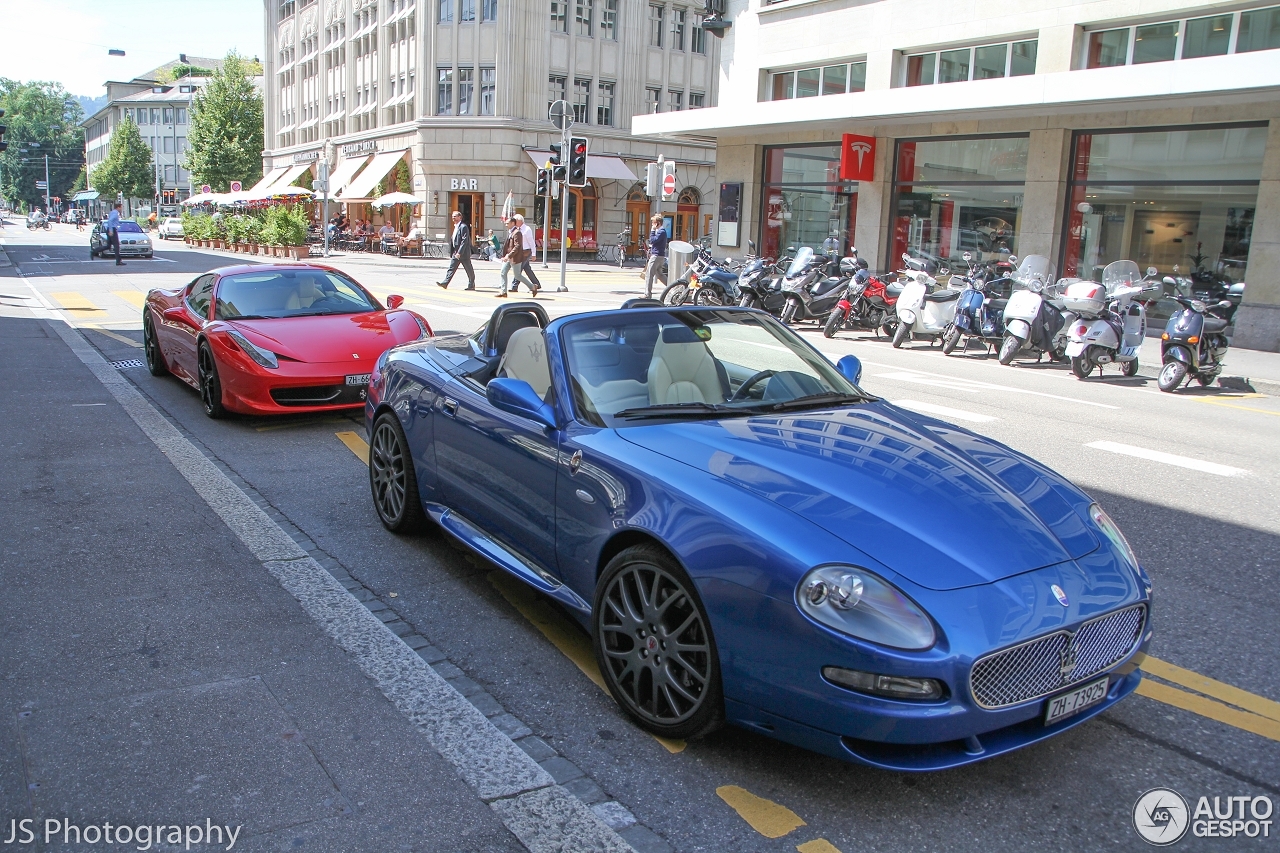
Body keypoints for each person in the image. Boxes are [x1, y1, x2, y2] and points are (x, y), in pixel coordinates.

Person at [436, 211, 476, 290]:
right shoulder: (456, 227)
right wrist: (453, 252)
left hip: (463, 253)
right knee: (451, 268)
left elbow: (464, 241)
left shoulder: (463, 227)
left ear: (460, 217)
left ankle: (471, 284)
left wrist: (460, 252)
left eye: (455, 216)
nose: (453, 218)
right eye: (452, 216)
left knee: (469, 270)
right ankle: (445, 283)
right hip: (456, 252)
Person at [497, 219, 530, 298]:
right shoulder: (510, 232)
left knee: (517, 276)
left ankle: (532, 287)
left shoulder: (517, 232)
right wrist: (506, 255)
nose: (506, 225)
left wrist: (508, 256)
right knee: (503, 272)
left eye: (507, 223)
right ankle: (503, 291)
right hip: (508, 257)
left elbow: (517, 246)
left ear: (513, 223)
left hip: (515, 258)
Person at [510, 214, 542, 296]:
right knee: (527, 269)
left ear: (520, 221)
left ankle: (514, 286)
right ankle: (536, 284)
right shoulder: (515, 229)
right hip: (519, 252)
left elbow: (531, 242)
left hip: (526, 252)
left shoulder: (527, 229)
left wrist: (534, 254)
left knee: (518, 268)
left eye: (515, 221)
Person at [643, 214, 668, 298]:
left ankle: (647, 294)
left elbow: (653, 240)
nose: (652, 225)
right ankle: (673, 288)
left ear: (658, 223)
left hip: (657, 256)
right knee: (660, 275)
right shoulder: (662, 231)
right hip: (659, 256)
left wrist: (652, 231)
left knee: (649, 274)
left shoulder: (661, 231)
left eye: (653, 223)